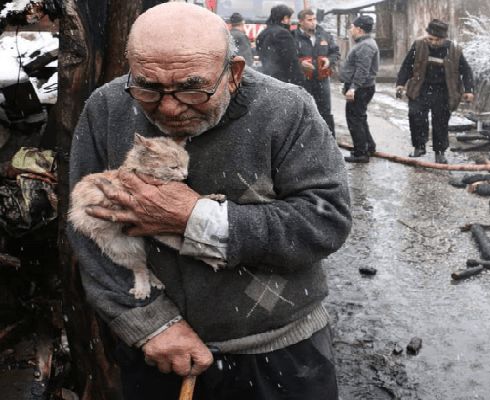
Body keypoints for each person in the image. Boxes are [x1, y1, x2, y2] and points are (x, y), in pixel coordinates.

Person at [67, 3, 351, 399]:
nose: (168, 106)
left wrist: (194, 218)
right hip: (157, 354)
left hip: (279, 351)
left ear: (233, 73)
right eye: (147, 86)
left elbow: (325, 222)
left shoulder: (287, 109)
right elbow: (85, 228)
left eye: (191, 87)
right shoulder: (108, 106)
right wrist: (149, 324)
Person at [395, 19, 474, 164]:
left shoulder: (455, 50)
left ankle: (440, 152)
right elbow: (407, 65)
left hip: (444, 91)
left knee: (440, 122)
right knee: (415, 115)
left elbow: (466, 71)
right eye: (431, 39)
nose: (434, 42)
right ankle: (419, 146)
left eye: (438, 40)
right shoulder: (419, 45)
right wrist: (400, 84)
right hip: (420, 89)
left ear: (444, 38)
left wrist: (469, 90)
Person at [338, 15, 379, 163]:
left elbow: (363, 70)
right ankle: (368, 146)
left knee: (354, 120)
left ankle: (361, 153)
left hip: (361, 88)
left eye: (352, 27)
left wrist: (353, 88)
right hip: (361, 87)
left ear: (359, 29)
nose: (350, 30)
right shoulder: (364, 43)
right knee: (360, 118)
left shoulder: (365, 45)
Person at [294, 8, 340, 137]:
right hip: (303, 80)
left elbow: (335, 52)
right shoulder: (293, 37)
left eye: (314, 19)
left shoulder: (324, 34)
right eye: (309, 20)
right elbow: (286, 58)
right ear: (301, 22)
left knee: (325, 111)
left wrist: (329, 60)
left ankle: (330, 141)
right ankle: (306, 141)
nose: (313, 22)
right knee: (304, 111)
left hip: (322, 79)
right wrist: (299, 64)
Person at [255, 4, 304, 86]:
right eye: (290, 19)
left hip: (267, 79)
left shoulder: (262, 33)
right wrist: (300, 80)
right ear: (285, 19)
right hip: (283, 81)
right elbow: (291, 61)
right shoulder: (283, 34)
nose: (291, 22)